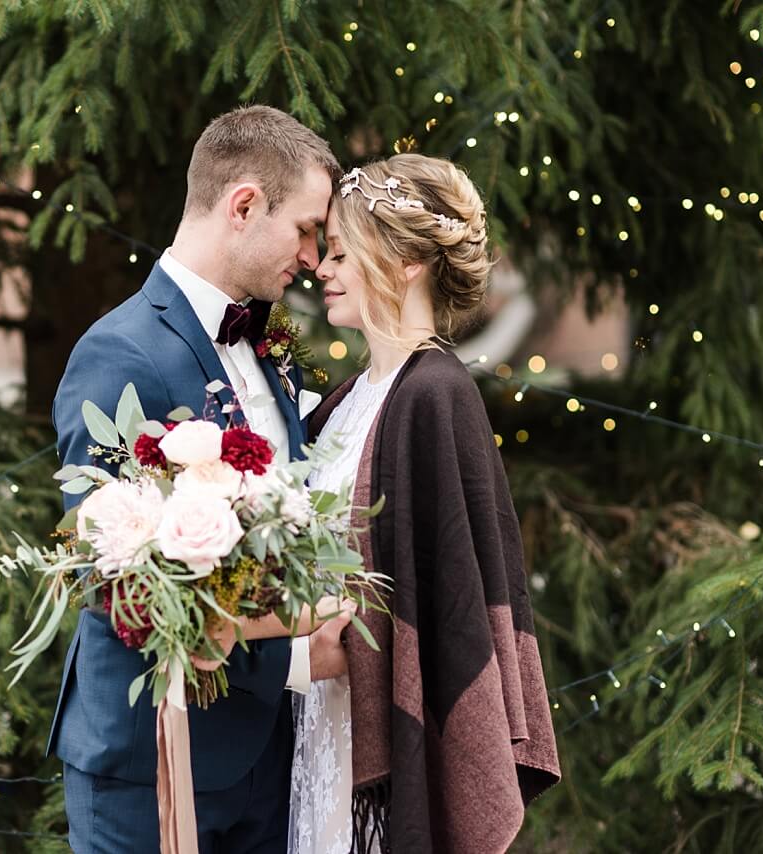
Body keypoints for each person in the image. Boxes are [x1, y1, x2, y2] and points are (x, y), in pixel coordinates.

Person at [48, 104, 352, 854]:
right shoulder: (119, 353)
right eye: (308, 229)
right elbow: (117, 580)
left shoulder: (270, 340)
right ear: (244, 204)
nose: (315, 258)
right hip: (152, 757)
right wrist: (294, 656)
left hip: (273, 762)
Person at [293, 154, 562, 853]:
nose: (321, 268)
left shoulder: (435, 394)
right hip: (314, 725)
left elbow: (447, 602)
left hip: (374, 731)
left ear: (406, 260)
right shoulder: (344, 404)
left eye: (342, 252)